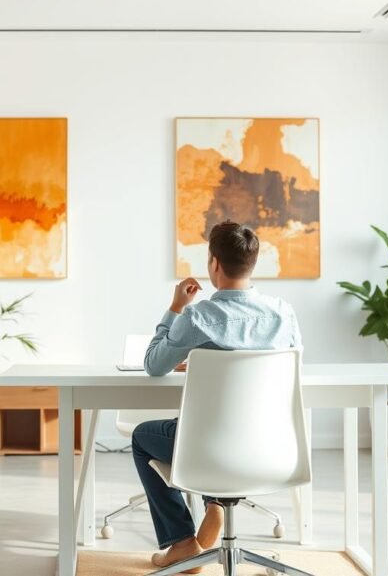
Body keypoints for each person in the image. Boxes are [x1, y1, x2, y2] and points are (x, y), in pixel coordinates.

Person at [134, 220, 302, 572]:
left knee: (142, 436)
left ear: (213, 263)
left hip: (208, 449)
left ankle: (181, 542)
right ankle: (213, 506)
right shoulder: (283, 313)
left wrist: (176, 307)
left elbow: (153, 365)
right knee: (216, 429)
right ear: (253, 263)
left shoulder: (199, 316)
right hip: (271, 448)